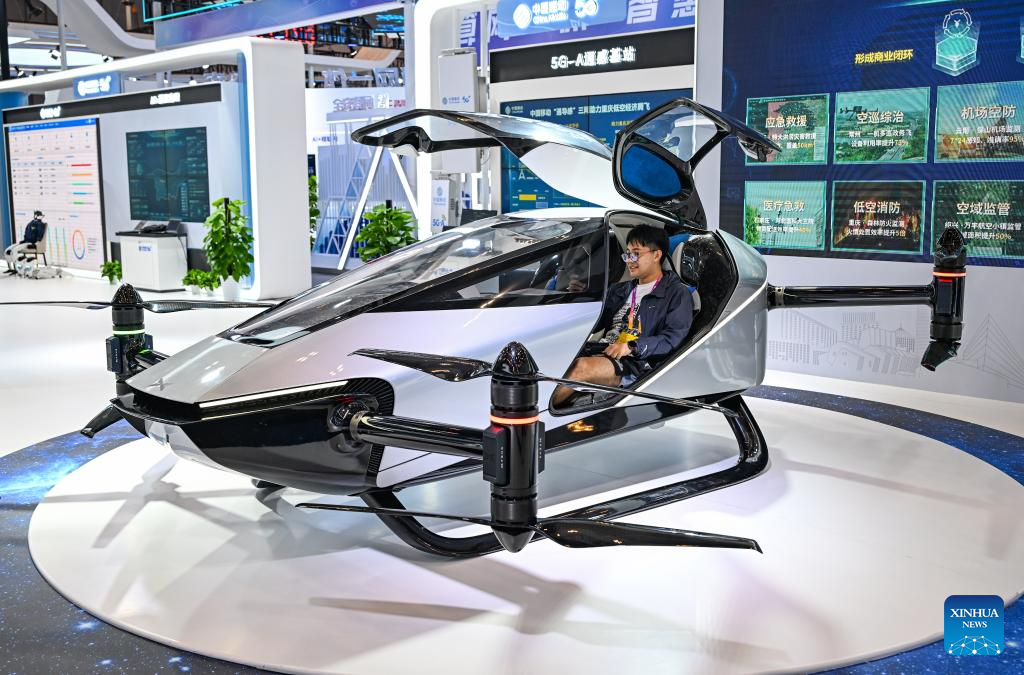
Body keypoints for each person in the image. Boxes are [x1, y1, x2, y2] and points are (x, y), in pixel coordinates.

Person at [552, 224, 693, 406]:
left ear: (656, 255)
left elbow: (671, 339)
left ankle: (538, 415)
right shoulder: (620, 290)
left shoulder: (677, 293)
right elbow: (595, 322)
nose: (629, 260)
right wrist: (579, 299)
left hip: (635, 362)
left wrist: (633, 346)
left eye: (635, 254)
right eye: (627, 254)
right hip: (604, 349)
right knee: (555, 359)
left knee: (581, 368)